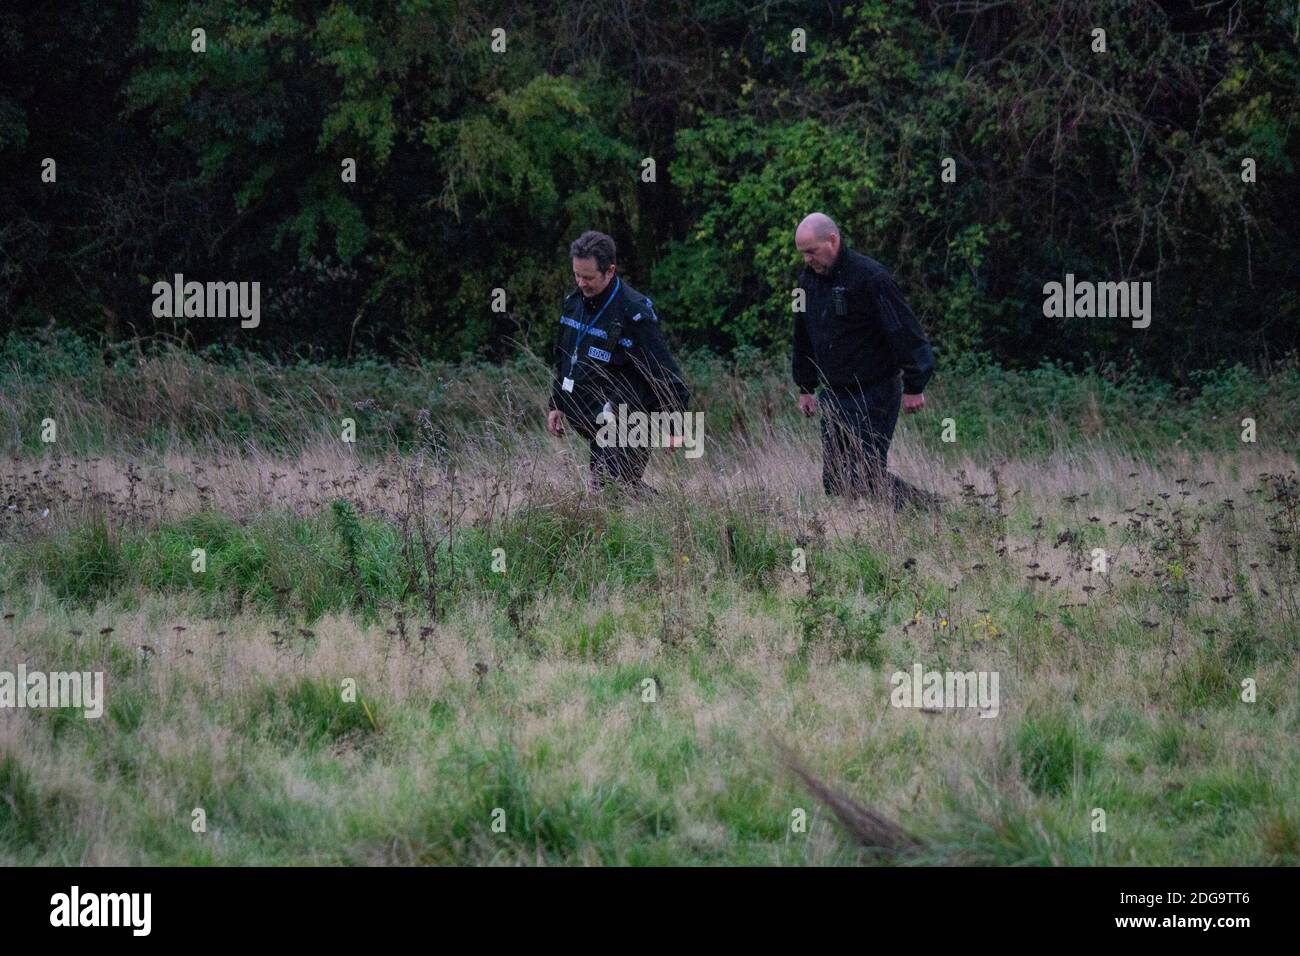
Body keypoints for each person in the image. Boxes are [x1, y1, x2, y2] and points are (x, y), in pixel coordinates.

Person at [791, 212, 944, 509]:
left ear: (832, 240)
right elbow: (802, 335)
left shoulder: (871, 278)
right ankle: (859, 532)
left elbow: (903, 330)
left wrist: (915, 384)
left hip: (875, 391)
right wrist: (805, 386)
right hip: (834, 394)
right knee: (836, 481)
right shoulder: (806, 282)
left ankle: (929, 510)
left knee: (866, 474)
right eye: (803, 253)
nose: (807, 259)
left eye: (811, 251)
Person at [546, 230, 690, 495]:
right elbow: (566, 356)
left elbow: (666, 373)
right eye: (576, 275)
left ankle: (675, 518)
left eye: (588, 277)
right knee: (613, 491)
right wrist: (557, 402)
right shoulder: (573, 304)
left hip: (633, 417)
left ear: (610, 271)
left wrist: (676, 426)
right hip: (597, 420)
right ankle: (669, 514)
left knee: (611, 491)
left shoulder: (634, 313)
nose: (581, 283)